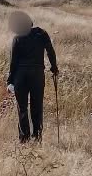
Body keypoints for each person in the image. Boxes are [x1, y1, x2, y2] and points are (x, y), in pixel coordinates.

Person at [5, 10, 58, 143]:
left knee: (22, 107)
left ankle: (24, 138)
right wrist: (54, 68)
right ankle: (37, 136)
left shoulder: (17, 38)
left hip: (21, 76)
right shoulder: (42, 34)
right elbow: (50, 51)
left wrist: (10, 80)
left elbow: (13, 62)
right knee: (37, 106)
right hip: (37, 75)